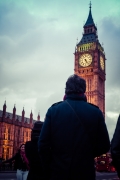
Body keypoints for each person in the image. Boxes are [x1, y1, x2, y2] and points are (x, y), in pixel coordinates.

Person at [38, 74, 110, 180]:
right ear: (84, 90)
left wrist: (52, 165)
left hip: (58, 173)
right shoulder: (96, 112)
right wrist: (87, 155)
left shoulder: (53, 111)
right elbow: (104, 145)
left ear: (66, 90)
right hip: (85, 173)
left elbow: (42, 145)